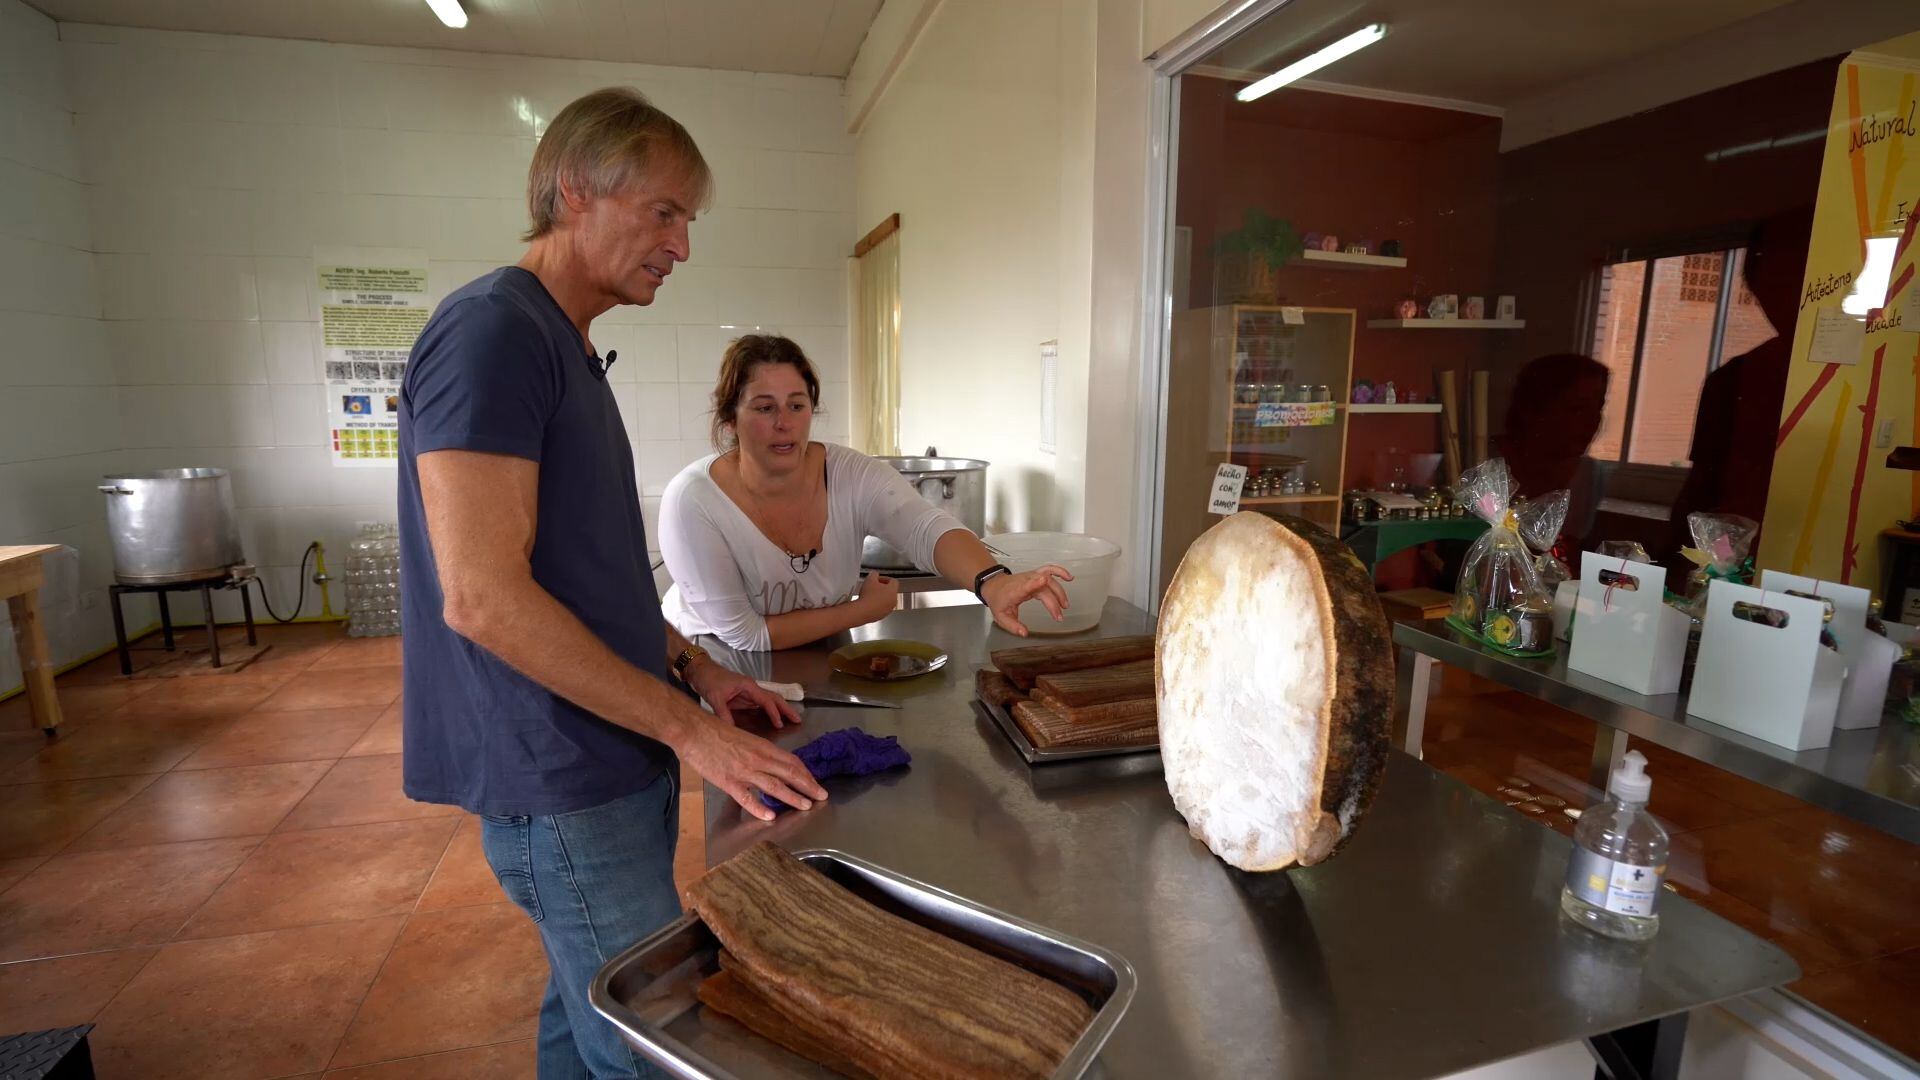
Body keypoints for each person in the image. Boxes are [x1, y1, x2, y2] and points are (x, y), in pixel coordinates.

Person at [396, 88, 827, 1080]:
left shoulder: (567, 344)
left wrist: (698, 673)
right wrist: (692, 733)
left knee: (582, 1007)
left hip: (608, 751)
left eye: (688, 220)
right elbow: (482, 596)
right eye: (664, 212)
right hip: (559, 773)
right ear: (576, 189)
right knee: (653, 1045)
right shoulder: (493, 333)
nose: (682, 245)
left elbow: (591, 573)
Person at [659, 334, 1072, 650]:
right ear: (730, 419)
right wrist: (862, 610)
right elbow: (745, 635)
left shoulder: (849, 473)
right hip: (711, 665)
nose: (784, 423)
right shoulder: (694, 502)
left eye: (797, 405)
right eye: (765, 408)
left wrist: (993, 584)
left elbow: (924, 527)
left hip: (821, 654)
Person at [1665, 206, 1814, 579]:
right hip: (1732, 567)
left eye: (1798, 272)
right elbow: (1701, 491)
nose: (1786, 290)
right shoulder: (1732, 380)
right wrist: (1672, 568)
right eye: (1773, 276)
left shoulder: (1867, 383)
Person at [1496, 353, 1610, 550]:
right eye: (1577, 408)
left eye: (1598, 407)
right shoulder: (1488, 467)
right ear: (1532, 410)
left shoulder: (1590, 477)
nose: (1592, 421)